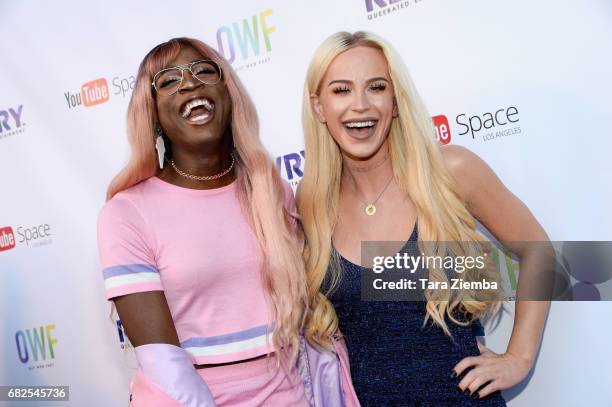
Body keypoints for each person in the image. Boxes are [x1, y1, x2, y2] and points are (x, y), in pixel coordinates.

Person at [297, 31, 550, 406]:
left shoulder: (451, 171)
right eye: (341, 90)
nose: (360, 106)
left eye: (376, 87)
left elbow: (540, 251)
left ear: (395, 100)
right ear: (319, 107)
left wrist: (519, 358)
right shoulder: (312, 199)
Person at [97, 37, 310, 406]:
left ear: (227, 91)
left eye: (203, 71)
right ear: (153, 114)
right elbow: (162, 362)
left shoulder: (271, 188)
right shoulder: (127, 213)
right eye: (167, 80)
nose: (190, 83)